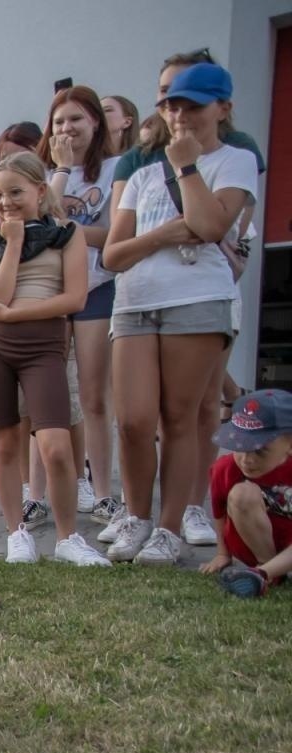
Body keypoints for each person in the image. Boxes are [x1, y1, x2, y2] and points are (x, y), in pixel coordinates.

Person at [105, 49, 267, 554]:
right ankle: (136, 516)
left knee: (180, 417)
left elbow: (214, 225)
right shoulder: (142, 175)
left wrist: (188, 169)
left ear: (222, 107)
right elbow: (113, 254)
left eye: (192, 105)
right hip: (134, 303)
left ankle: (169, 528)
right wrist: (166, 234)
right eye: (172, 106)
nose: (179, 116)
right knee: (132, 421)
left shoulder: (235, 159)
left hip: (197, 300)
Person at [0, 152, 105, 566]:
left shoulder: (67, 232)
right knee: (4, 444)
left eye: (15, 192)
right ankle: (17, 533)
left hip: (45, 347)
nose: (6, 202)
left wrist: (17, 313)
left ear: (40, 191)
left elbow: (74, 298)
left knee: (57, 446)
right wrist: (12, 243)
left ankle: (68, 539)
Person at [40, 86, 118, 519]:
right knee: (51, 396)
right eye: (59, 122)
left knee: (93, 395)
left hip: (96, 288)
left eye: (76, 119)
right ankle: (61, 486)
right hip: (52, 292)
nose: (67, 129)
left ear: (95, 123)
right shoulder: (53, 174)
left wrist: (68, 230)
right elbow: (45, 224)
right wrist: (63, 170)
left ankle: (104, 488)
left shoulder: (115, 168)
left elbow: (115, 233)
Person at [200, 390, 292, 598]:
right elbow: (219, 511)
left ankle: (260, 575)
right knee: (241, 494)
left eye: (260, 450)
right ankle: (266, 569)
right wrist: (223, 554)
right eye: (240, 445)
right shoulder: (225, 468)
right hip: (253, 543)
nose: (246, 459)